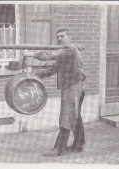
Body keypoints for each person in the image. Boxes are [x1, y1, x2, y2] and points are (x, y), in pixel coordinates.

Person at [24, 28, 86, 157]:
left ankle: (59, 149)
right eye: (58, 37)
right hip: (75, 85)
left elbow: (48, 55)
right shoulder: (65, 53)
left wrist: (31, 54)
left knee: (67, 115)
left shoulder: (69, 48)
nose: (59, 39)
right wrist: (35, 75)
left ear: (69, 38)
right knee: (75, 115)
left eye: (62, 36)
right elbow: (52, 69)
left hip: (73, 86)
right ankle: (79, 144)